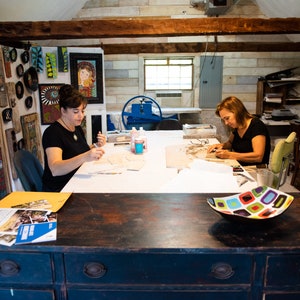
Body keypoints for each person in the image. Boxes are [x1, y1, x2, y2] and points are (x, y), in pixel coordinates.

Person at [42, 84, 106, 191]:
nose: (81, 115)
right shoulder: (52, 133)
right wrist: (85, 156)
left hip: (76, 180)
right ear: (63, 111)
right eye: (76, 112)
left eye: (82, 111)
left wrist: (96, 146)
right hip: (60, 189)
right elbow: (55, 169)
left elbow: (79, 152)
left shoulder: (76, 127)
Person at [207, 96, 271, 166]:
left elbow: (258, 156)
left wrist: (229, 155)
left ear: (237, 112)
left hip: (256, 169)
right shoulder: (237, 126)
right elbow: (230, 143)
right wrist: (221, 145)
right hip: (240, 165)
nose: (226, 123)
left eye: (227, 118)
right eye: (223, 120)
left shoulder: (256, 125)